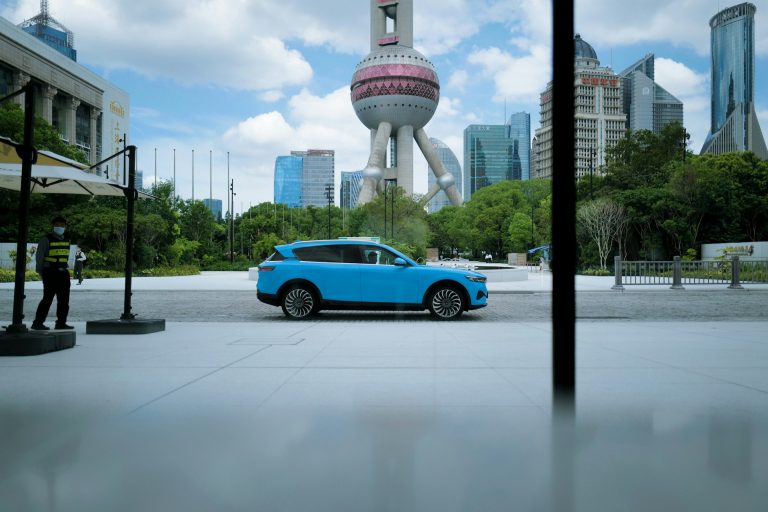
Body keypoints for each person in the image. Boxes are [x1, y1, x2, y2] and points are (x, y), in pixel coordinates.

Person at [32, 216, 73, 330]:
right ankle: (37, 323)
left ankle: (61, 323)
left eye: (62, 225)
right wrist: (40, 271)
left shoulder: (67, 240)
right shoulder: (46, 239)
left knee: (64, 300)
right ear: (53, 226)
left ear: (65, 227)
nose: (60, 227)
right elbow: (40, 256)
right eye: (57, 225)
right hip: (50, 271)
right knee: (47, 299)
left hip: (63, 272)